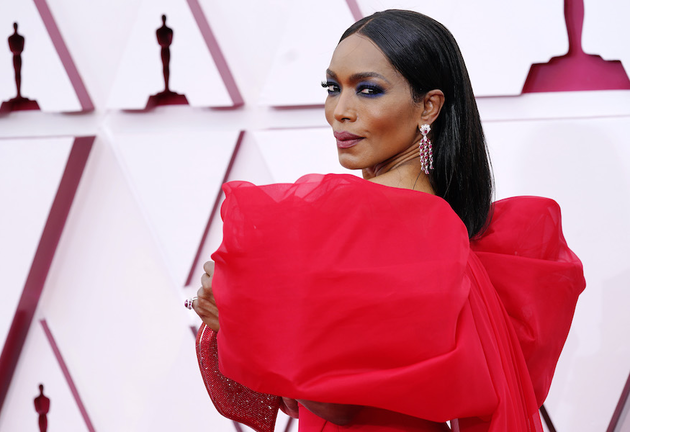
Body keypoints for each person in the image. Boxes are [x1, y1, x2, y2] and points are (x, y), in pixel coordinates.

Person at [190, 9, 584, 432]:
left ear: (428, 106)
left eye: (368, 90)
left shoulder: (411, 235)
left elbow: (340, 404)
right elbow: (299, 396)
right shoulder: (402, 224)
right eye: (332, 87)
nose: (340, 111)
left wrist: (242, 321)